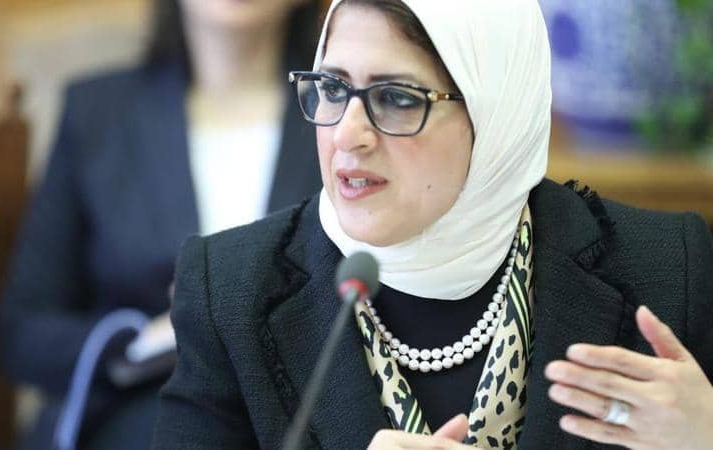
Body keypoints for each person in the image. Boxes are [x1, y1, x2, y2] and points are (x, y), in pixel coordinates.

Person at [151, 0, 713, 449]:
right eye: (333, 89)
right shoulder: (231, 290)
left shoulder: (666, 269)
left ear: (495, 111)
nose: (347, 134)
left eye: (396, 98)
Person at [0, 0, 321, 449]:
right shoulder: (98, 112)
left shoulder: (341, 115)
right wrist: (142, 341)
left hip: (297, 413)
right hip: (137, 414)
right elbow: (22, 331)